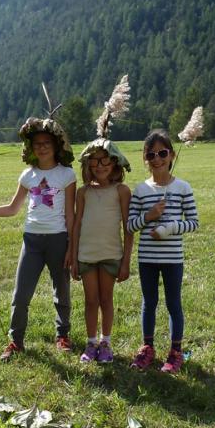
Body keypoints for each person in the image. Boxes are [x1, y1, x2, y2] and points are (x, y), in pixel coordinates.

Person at [0, 117, 76, 361]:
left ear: (56, 145)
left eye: (46, 142)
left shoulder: (67, 175)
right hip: (32, 241)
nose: (42, 147)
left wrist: (72, 247)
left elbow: (71, 214)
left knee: (62, 290)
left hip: (58, 239)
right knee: (21, 294)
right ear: (31, 148)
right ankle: (16, 341)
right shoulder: (27, 176)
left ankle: (63, 335)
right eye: (37, 143)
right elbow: (12, 208)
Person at [127, 129, 199, 373]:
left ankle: (175, 351)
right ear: (145, 159)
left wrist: (168, 228)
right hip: (147, 258)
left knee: (173, 304)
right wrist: (149, 216)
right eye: (151, 154)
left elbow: (193, 222)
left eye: (162, 153)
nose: (157, 159)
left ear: (171, 156)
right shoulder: (140, 190)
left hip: (172, 259)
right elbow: (130, 225)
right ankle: (147, 348)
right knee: (149, 302)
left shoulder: (182, 188)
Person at [71, 139, 132, 363]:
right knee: (90, 301)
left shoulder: (122, 191)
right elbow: (77, 225)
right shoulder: (83, 192)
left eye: (105, 160)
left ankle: (106, 342)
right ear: (88, 165)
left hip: (110, 255)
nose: (100, 166)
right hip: (86, 255)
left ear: (115, 163)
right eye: (95, 161)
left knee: (106, 300)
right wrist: (74, 257)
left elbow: (128, 228)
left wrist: (126, 261)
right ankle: (91, 342)